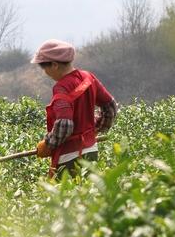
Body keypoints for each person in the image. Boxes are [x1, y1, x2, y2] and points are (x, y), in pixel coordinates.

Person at [32, 39, 117, 179]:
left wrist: (47, 145)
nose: (45, 72)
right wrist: (95, 130)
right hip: (91, 151)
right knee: (87, 196)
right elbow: (110, 107)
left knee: (63, 198)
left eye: (44, 67)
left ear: (54, 65)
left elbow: (64, 125)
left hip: (69, 158)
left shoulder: (62, 88)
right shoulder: (88, 78)